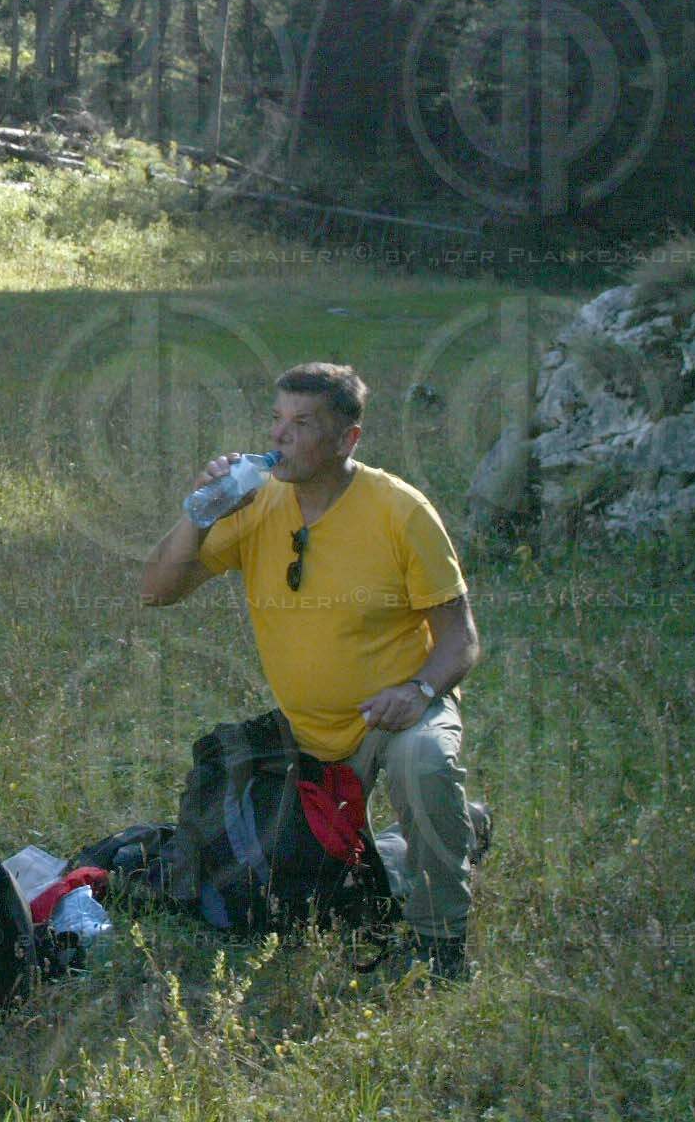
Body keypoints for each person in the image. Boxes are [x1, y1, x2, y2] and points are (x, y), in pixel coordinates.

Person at [138, 362, 488, 982]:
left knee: (424, 763)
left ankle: (441, 943)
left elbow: (460, 638)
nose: (281, 438)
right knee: (299, 896)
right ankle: (455, 831)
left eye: (302, 424)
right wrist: (201, 511)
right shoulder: (257, 504)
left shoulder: (400, 512)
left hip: (396, 713)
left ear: (347, 439)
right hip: (304, 739)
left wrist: (419, 691)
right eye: (276, 420)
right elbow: (156, 590)